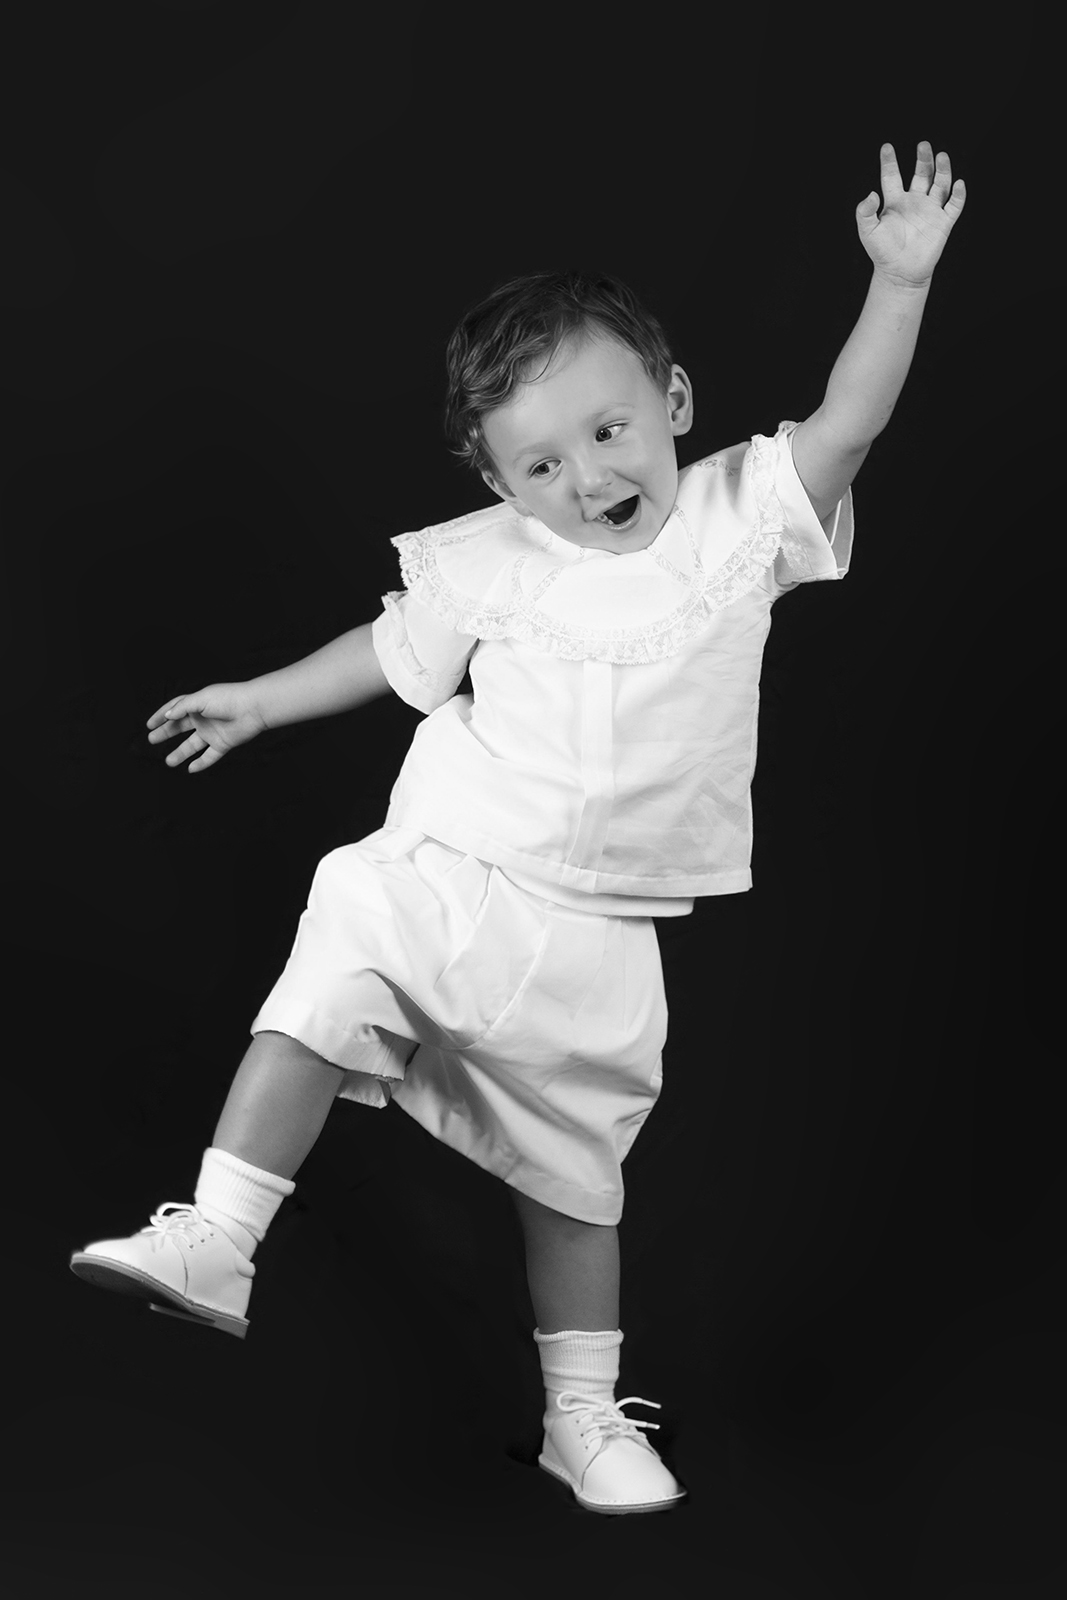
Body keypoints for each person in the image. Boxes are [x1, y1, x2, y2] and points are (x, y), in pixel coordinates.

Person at [71, 142, 965, 1515]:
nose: (588, 476)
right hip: (459, 861)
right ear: (501, 487)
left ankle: (581, 1417)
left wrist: (898, 282)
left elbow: (849, 421)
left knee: (575, 1175)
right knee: (345, 935)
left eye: (610, 432)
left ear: (671, 402)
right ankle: (219, 1234)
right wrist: (260, 700)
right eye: (540, 462)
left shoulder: (742, 517)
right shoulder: (490, 564)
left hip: (601, 926)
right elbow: (385, 651)